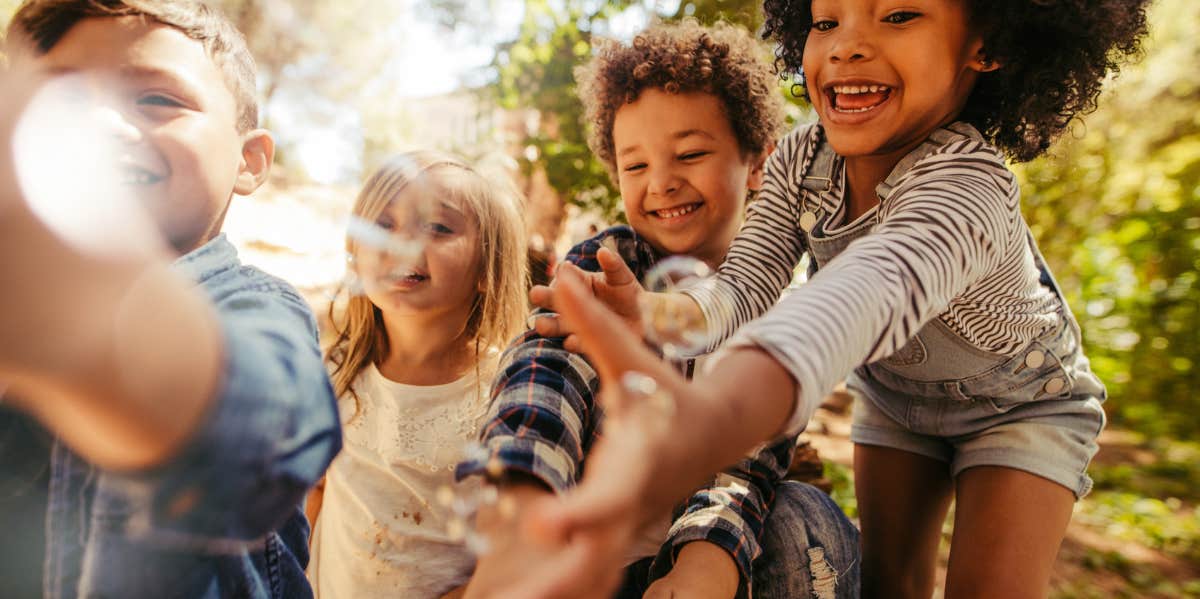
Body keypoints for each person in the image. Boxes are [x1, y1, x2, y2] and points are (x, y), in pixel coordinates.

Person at [522, 1, 1154, 598]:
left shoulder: (969, 186)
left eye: (900, 15)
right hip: (896, 398)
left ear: (986, 43)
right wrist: (658, 316)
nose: (847, 46)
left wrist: (724, 407)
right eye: (826, 20)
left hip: (1021, 405)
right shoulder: (802, 158)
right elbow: (744, 286)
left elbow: (867, 292)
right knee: (888, 586)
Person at [457, 21, 859, 599]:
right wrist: (522, 503)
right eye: (636, 166)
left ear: (757, 163)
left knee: (809, 517)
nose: (662, 184)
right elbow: (545, 374)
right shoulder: (608, 262)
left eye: (690, 154)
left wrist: (709, 556)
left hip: (706, 564)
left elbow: (747, 455)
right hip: (584, 557)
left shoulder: (772, 303)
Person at [0, 1, 341, 597]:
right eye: (64, 101)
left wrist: (84, 326)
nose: (100, 124)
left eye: (157, 100)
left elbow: (273, 431)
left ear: (250, 160)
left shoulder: (258, 304)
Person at [304, 151, 529, 598]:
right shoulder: (333, 373)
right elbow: (313, 498)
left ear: (487, 266)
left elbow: (516, 548)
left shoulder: (509, 391)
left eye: (438, 227)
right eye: (383, 225)